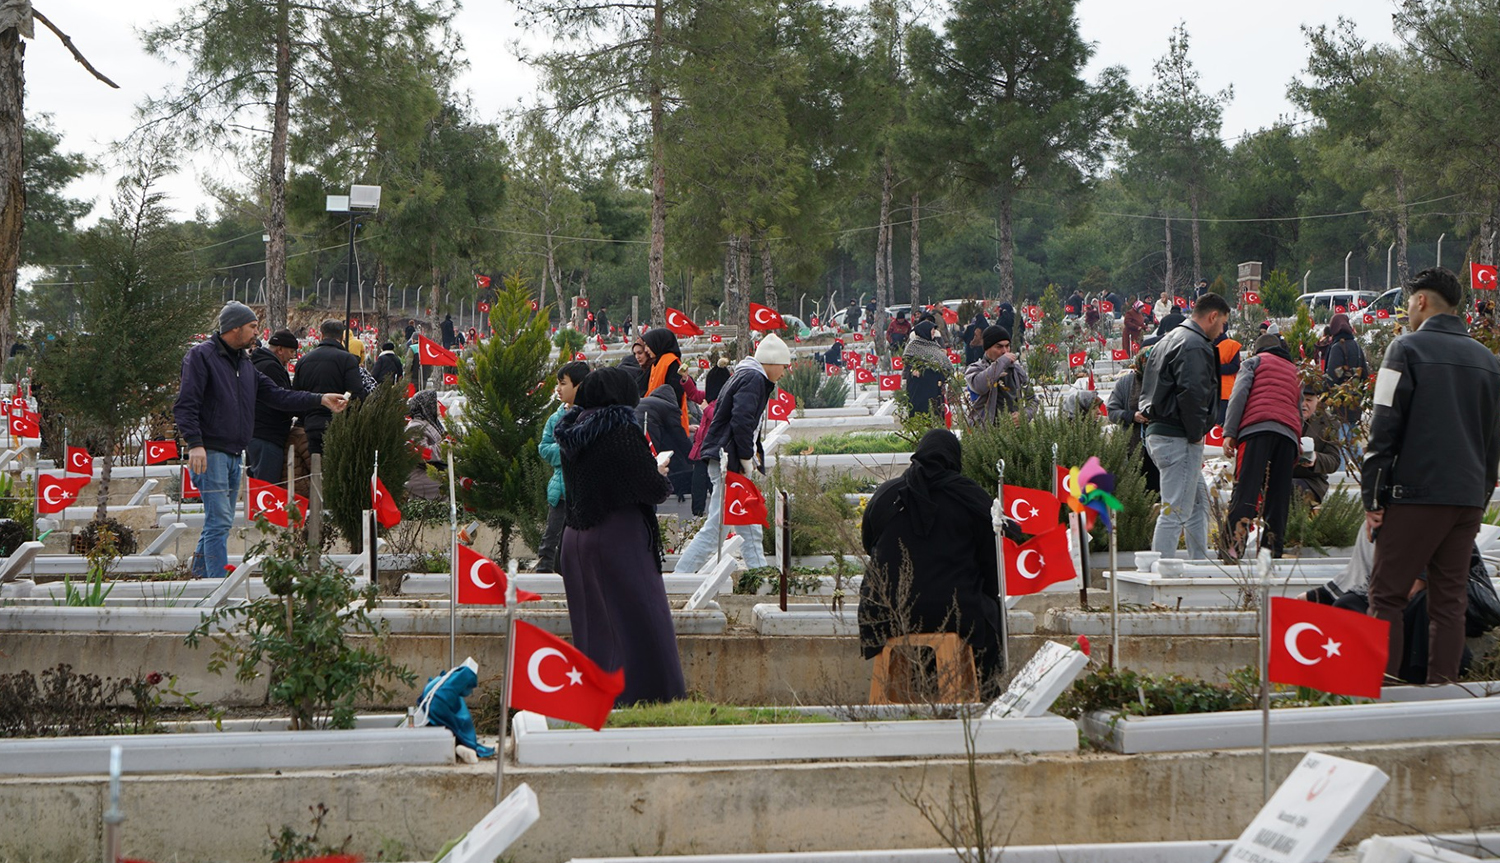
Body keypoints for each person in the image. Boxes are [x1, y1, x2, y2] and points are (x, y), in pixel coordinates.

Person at [1364, 267, 1500, 684]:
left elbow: (1383, 425)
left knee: (1386, 594)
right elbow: (1493, 441)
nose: (1407, 310)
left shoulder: (1404, 349)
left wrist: (1373, 498)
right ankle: (1444, 689)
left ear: (1421, 300)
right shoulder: (1489, 362)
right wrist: (1480, 495)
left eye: (1408, 301)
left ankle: (1380, 689)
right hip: (1467, 497)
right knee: (1449, 601)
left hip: (1415, 494)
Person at [175, 302, 346, 579]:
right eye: (253, 326)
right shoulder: (202, 357)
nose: (257, 332)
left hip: (233, 453)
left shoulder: (245, 363)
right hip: (211, 451)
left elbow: (278, 395)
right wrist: (195, 444)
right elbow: (186, 405)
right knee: (219, 521)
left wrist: (320, 399)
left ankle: (198, 576)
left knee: (218, 521)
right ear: (235, 328)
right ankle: (217, 582)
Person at [554, 367, 685, 706]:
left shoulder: (572, 429)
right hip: (617, 534)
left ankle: (599, 697)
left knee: (594, 628)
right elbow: (651, 488)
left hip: (576, 535)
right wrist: (657, 471)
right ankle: (649, 698)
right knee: (643, 622)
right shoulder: (620, 429)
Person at [859, 429, 1006, 693]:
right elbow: (991, 564)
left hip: (885, 613)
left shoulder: (887, 494)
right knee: (988, 611)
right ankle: (984, 691)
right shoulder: (970, 497)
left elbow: (869, 544)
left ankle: (917, 687)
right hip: (956, 614)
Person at [671, 334, 791, 573]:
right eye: (784, 366)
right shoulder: (754, 379)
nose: (784, 373)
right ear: (772, 361)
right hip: (730, 461)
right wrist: (747, 456)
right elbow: (743, 420)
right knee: (717, 527)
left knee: (748, 521)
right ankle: (680, 577)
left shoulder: (748, 376)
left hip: (729, 459)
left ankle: (760, 575)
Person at [1139, 293, 1230, 561]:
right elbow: (1192, 393)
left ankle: (1198, 563)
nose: (1222, 330)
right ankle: (1160, 570)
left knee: (1199, 502)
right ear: (1213, 316)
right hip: (1178, 435)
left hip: (1162, 431)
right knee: (1175, 509)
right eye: (1222, 323)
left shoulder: (1170, 338)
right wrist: (1195, 434)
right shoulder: (1193, 344)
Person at [1221, 334, 1303, 558]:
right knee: (1279, 496)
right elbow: (1299, 408)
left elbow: (1238, 396)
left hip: (1257, 430)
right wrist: (1297, 439)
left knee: (1246, 490)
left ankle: (1232, 551)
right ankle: (1271, 554)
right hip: (1287, 436)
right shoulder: (1293, 370)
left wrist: (1229, 433)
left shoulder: (1254, 362)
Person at [536, 361, 589, 573]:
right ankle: (544, 573)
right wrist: (569, 451)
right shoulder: (555, 418)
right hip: (560, 490)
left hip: (584, 491)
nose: (558, 389)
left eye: (563, 383)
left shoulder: (590, 416)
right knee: (552, 537)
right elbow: (545, 448)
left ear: (580, 385)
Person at [293, 320, 367, 455]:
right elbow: (356, 393)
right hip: (339, 424)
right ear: (342, 337)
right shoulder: (347, 359)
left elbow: (296, 395)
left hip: (311, 424)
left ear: (321, 335)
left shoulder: (303, 361)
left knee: (315, 469)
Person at [248, 329, 301, 483]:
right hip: (268, 435)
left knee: (256, 486)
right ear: (279, 349)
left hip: (255, 433)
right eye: (291, 351)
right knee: (266, 488)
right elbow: (282, 399)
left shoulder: (257, 364)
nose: (292, 356)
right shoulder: (271, 368)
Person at [1106, 351, 1160, 493]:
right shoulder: (1125, 383)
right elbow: (1111, 411)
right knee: (1138, 489)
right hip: (1135, 446)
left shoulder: (1164, 380)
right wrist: (1131, 416)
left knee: (1159, 489)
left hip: (1161, 445)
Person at [638, 372, 694, 500]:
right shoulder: (669, 407)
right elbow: (679, 436)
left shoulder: (645, 401)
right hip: (649, 433)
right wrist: (692, 457)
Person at [964, 326, 1032, 425]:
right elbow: (980, 386)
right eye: (999, 347)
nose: (1005, 351)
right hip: (987, 432)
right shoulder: (976, 369)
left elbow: (1032, 398)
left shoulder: (1016, 370)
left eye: (1007, 346)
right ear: (987, 348)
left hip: (1014, 432)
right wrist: (1001, 362)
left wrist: (1025, 415)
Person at [1292, 383, 1340, 504]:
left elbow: (1334, 461)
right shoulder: (1281, 418)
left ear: (1317, 401)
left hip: (1311, 480)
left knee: (1293, 490)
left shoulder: (1329, 423)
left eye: (1309, 400)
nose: (1303, 404)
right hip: (1280, 476)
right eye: (1300, 399)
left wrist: (1315, 458)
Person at [640, 328, 689, 435]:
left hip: (670, 424)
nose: (646, 350)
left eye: (648, 346)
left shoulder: (671, 362)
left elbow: (675, 395)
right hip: (657, 420)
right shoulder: (656, 363)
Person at [902, 320, 948, 417]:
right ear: (925, 331)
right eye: (931, 330)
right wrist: (915, 368)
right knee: (919, 412)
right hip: (918, 386)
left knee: (936, 412)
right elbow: (907, 362)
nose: (933, 332)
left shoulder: (935, 346)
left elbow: (944, 364)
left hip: (934, 386)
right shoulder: (913, 346)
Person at [1213, 331, 1243, 425]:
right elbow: (1235, 367)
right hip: (1225, 391)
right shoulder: (1232, 345)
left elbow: (1235, 367)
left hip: (1219, 392)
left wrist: (1214, 368)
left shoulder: (1203, 344)